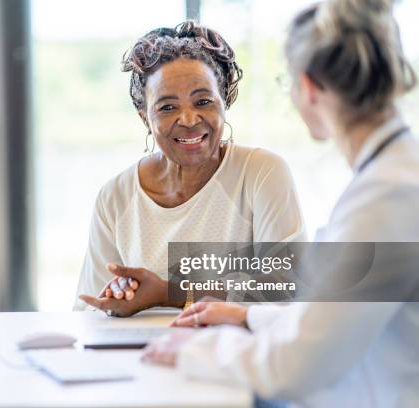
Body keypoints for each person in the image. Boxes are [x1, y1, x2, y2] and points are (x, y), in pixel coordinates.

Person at [142, 0, 419, 406]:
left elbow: (293, 368)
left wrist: (192, 351)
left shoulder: (387, 197)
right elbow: (335, 315)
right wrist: (249, 315)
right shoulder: (394, 175)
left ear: (307, 87)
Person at [74, 22, 306, 315]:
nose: (188, 118)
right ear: (145, 117)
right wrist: (115, 297)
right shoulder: (115, 197)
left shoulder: (262, 173)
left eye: (203, 101)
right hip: (142, 355)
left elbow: (287, 288)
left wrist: (167, 292)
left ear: (225, 102)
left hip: (235, 354)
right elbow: (89, 310)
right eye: (167, 107)